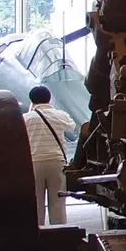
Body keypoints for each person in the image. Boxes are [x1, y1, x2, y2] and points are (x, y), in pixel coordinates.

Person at [25, 84, 77, 225]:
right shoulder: (60, 115)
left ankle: (37, 235)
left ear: (32, 100)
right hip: (57, 163)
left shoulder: (26, 118)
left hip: (34, 164)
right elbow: (72, 127)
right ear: (49, 99)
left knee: (36, 204)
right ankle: (58, 236)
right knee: (58, 203)